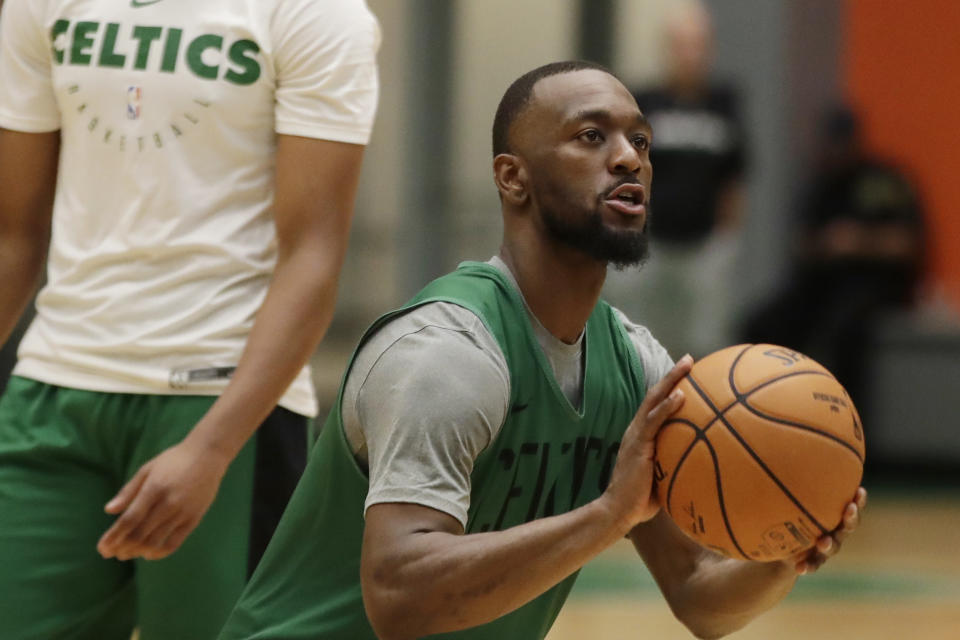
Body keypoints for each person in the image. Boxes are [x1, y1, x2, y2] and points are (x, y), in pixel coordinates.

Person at [217, 61, 866, 640]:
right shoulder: (447, 355)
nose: (629, 159)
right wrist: (609, 515)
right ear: (512, 178)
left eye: (640, 140)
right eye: (592, 137)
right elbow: (400, 598)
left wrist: (785, 550)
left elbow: (698, 593)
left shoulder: (635, 368)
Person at [0, 0, 380, 637]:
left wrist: (212, 447)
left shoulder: (316, 13)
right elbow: (13, 235)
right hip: (53, 391)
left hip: (221, 401)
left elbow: (313, 255)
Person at [740, 105, 925, 411]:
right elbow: (802, 244)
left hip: (874, 285)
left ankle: (848, 423)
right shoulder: (821, 183)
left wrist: (859, 241)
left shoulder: (885, 181)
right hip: (822, 283)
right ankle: (765, 411)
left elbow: (907, 243)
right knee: (761, 324)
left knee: (846, 330)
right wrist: (826, 245)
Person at [604, 0, 747, 359]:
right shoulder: (644, 102)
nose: (690, 55)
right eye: (682, 45)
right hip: (649, 244)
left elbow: (734, 177)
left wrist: (726, 240)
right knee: (638, 341)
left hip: (704, 246)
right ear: (668, 49)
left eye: (697, 45)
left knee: (703, 344)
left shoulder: (724, 103)